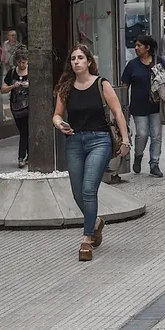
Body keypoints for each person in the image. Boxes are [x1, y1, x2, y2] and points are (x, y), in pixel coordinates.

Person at [52, 44, 130, 261]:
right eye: (73, 59)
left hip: (99, 140)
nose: (76, 62)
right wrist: (59, 124)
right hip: (74, 141)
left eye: (80, 58)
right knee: (77, 193)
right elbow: (56, 114)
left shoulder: (101, 84)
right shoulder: (65, 88)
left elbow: (118, 112)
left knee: (88, 188)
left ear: (88, 61)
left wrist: (125, 140)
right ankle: (95, 222)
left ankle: (87, 239)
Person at [121, 35, 163, 178]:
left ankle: (154, 164)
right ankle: (138, 155)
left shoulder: (158, 62)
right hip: (138, 106)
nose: (136, 48)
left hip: (156, 105)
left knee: (156, 135)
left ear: (147, 47)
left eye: (139, 45)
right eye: (136, 45)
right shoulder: (132, 65)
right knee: (142, 134)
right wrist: (123, 107)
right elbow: (125, 86)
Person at [1, 45, 31, 168]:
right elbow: (3, 89)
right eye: (19, 62)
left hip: (29, 106)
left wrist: (28, 85)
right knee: (24, 130)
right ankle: (29, 155)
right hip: (16, 106)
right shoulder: (12, 73)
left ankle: (21, 157)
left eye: (24, 62)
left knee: (25, 131)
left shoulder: (32, 72)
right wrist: (13, 86)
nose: (22, 65)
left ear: (27, 61)